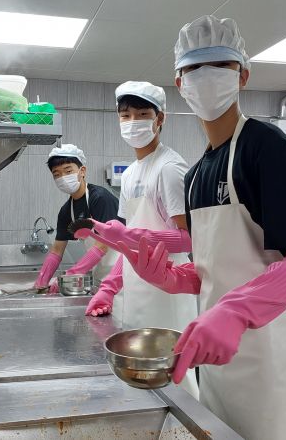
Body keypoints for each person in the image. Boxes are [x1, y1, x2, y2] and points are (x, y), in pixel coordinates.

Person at [116, 15, 286, 440]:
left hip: (268, 358)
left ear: (242, 76)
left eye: (219, 66)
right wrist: (172, 278)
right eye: (194, 68)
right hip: (213, 358)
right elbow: (211, 270)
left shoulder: (268, 148)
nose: (205, 77)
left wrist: (236, 311)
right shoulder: (197, 173)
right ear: (180, 83)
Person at [83, 81, 199, 398]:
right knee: (143, 380)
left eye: (142, 114)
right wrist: (109, 288)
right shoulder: (131, 173)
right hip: (137, 291)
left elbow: (189, 239)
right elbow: (127, 242)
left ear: (160, 119)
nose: (133, 122)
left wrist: (135, 236)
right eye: (126, 115)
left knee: (177, 379)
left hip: (168, 291)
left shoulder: (169, 169)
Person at [34, 144, 121, 293]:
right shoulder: (66, 211)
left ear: (82, 171)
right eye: (57, 174)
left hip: (123, 274)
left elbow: (103, 245)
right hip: (101, 277)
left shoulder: (100, 198)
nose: (63, 177)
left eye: (68, 171)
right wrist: (42, 281)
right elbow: (57, 250)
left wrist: (71, 274)